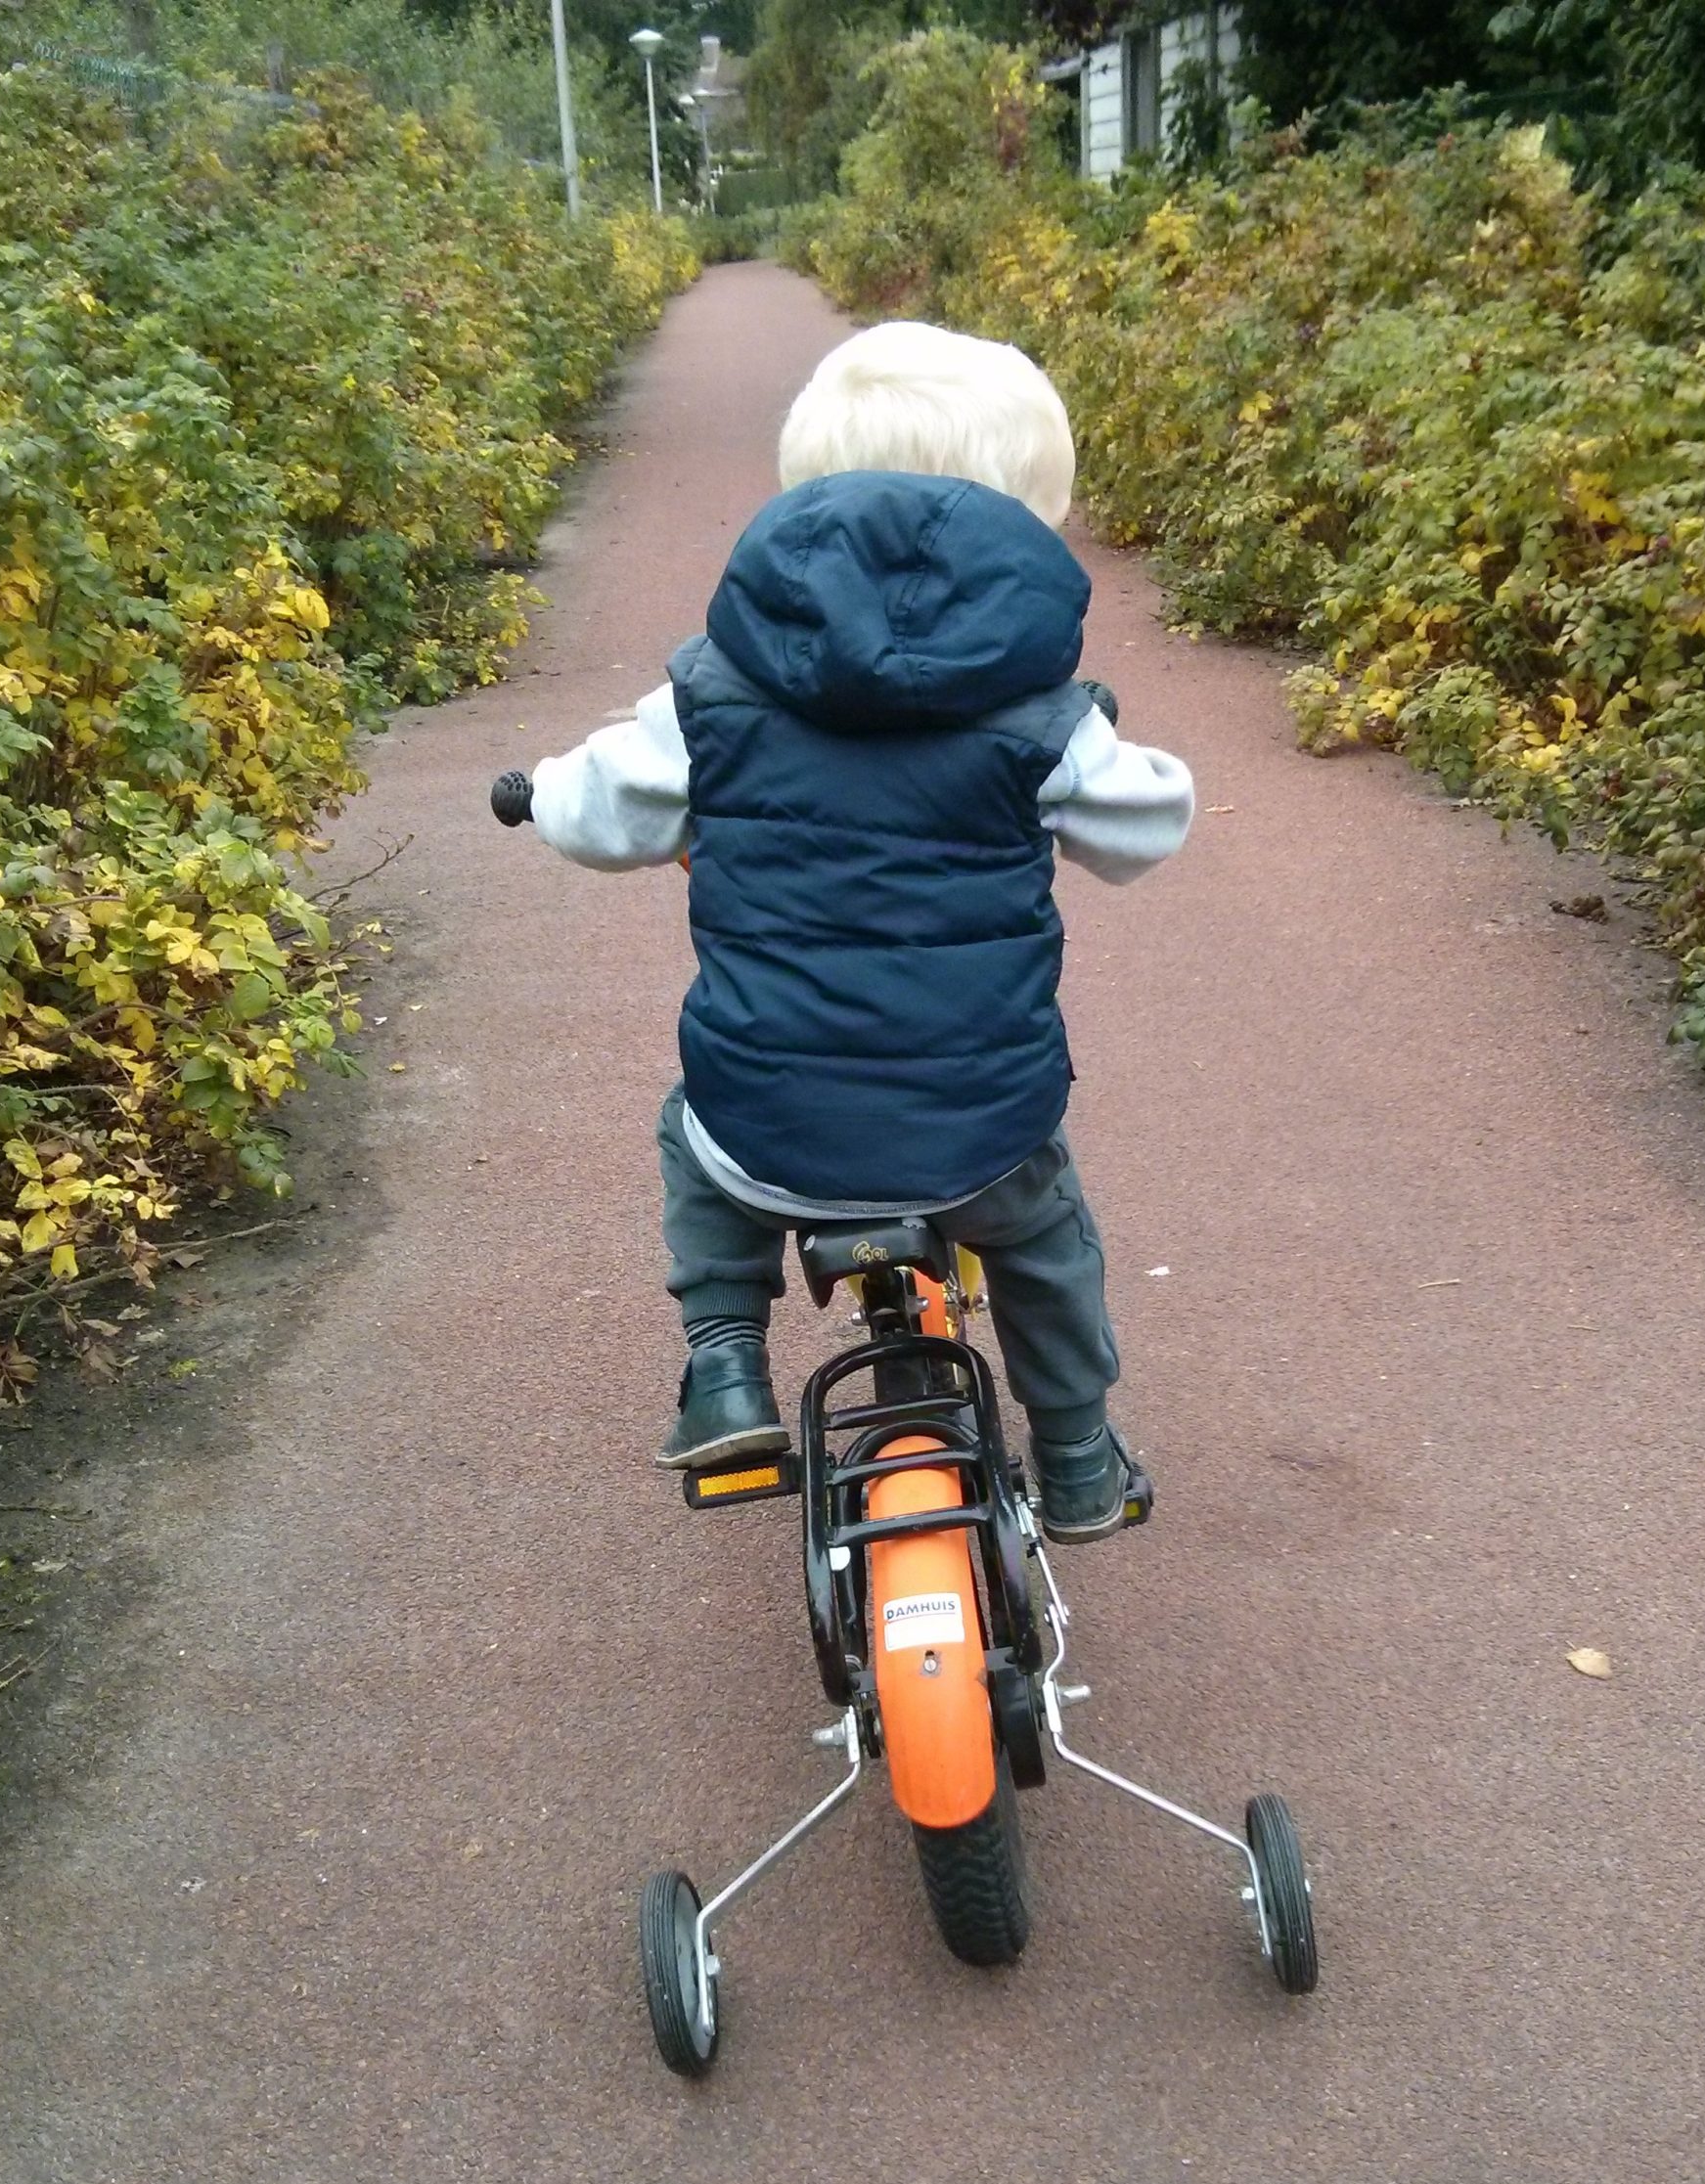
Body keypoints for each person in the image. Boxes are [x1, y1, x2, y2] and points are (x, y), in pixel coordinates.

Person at [504, 321, 1193, 1541]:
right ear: (1031, 514)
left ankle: (724, 1366)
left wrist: (538, 793)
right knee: (1044, 1228)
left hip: (770, 1132)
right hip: (981, 1134)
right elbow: (1145, 828)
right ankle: (1080, 1455)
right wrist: (1108, 745)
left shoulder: (709, 692)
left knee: (693, 1128)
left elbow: (595, 811)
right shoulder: (1036, 711)